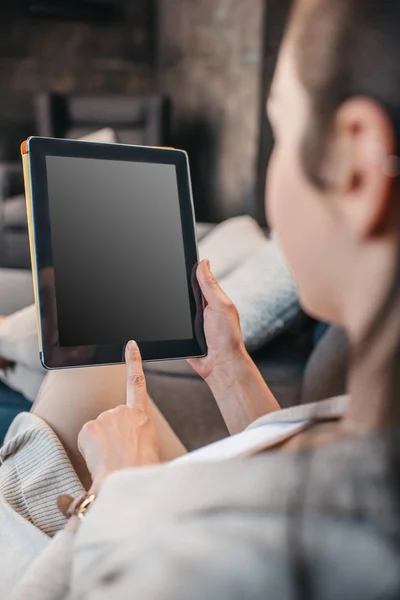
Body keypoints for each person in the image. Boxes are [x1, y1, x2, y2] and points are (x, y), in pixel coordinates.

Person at [2, 0, 400, 597]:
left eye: (280, 130)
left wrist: (113, 495)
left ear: (357, 164)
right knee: (94, 347)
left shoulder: (208, 561)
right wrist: (232, 373)